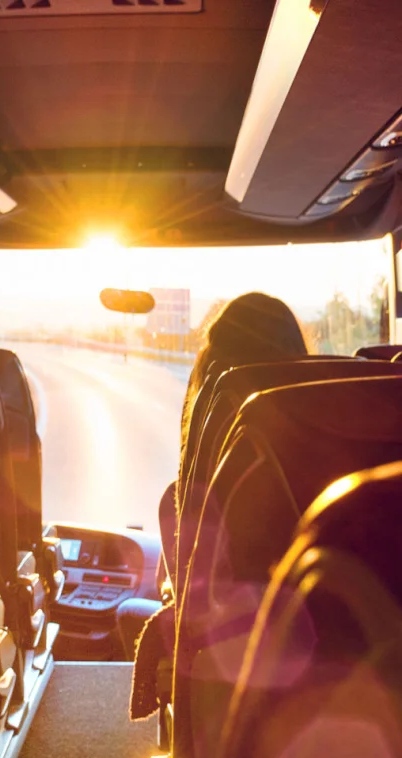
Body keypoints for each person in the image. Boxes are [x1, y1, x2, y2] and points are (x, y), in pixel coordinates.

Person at [121, 292, 308, 718]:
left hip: (233, 662)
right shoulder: (339, 454)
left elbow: (193, 607)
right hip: (345, 645)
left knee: (130, 611)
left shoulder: (184, 500)